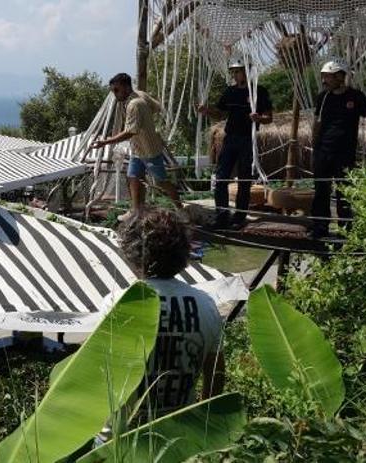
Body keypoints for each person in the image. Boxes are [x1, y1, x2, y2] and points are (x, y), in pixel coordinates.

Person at [95, 208, 224, 445]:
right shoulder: (206, 306)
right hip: (177, 441)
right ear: (183, 253)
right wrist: (203, 426)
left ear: (132, 253)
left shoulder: (117, 303)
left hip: (119, 443)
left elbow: (95, 374)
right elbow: (215, 375)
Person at [309, 59, 366, 238]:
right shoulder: (323, 97)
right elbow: (316, 122)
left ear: (340, 77)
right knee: (321, 191)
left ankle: (347, 231)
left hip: (345, 153)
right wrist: (314, 142)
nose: (324, 81)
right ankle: (320, 227)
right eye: (323, 77)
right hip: (323, 151)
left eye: (328, 77)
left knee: (345, 191)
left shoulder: (355, 97)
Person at [90, 73, 182, 221]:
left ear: (126, 88)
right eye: (113, 91)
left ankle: (180, 210)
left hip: (149, 150)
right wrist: (147, 120)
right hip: (137, 149)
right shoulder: (140, 95)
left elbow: (130, 132)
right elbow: (157, 107)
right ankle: (136, 210)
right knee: (133, 177)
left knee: (161, 182)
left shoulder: (134, 105)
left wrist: (105, 142)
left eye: (116, 90)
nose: (115, 94)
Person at [197, 59, 273, 229]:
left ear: (246, 71)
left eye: (237, 71)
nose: (235, 75)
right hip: (230, 138)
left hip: (247, 139)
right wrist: (206, 110)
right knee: (221, 177)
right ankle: (222, 216)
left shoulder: (258, 91)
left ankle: (239, 218)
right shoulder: (230, 91)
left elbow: (269, 117)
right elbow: (220, 113)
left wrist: (259, 118)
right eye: (233, 72)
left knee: (244, 179)